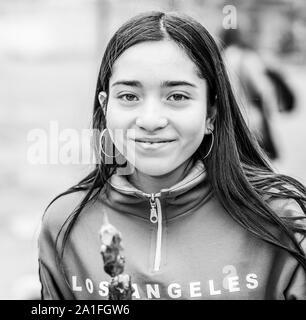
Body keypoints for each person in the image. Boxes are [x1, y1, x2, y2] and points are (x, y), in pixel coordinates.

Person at [38, 12, 306, 300]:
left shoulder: (280, 221)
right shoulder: (65, 225)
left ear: (211, 113)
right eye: (129, 96)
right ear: (105, 107)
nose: (151, 120)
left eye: (177, 96)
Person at [220, 28, 280, 160]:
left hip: (229, 120)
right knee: (257, 164)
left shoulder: (221, 57)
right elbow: (263, 89)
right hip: (251, 119)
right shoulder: (247, 57)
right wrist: (269, 114)